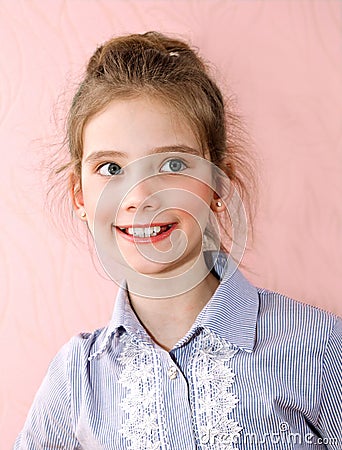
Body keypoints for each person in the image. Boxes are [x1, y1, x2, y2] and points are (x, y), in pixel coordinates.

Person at [14, 31, 341, 450]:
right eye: (111, 168)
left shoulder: (319, 346)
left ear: (217, 184)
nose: (139, 199)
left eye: (172, 163)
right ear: (81, 196)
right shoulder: (75, 381)